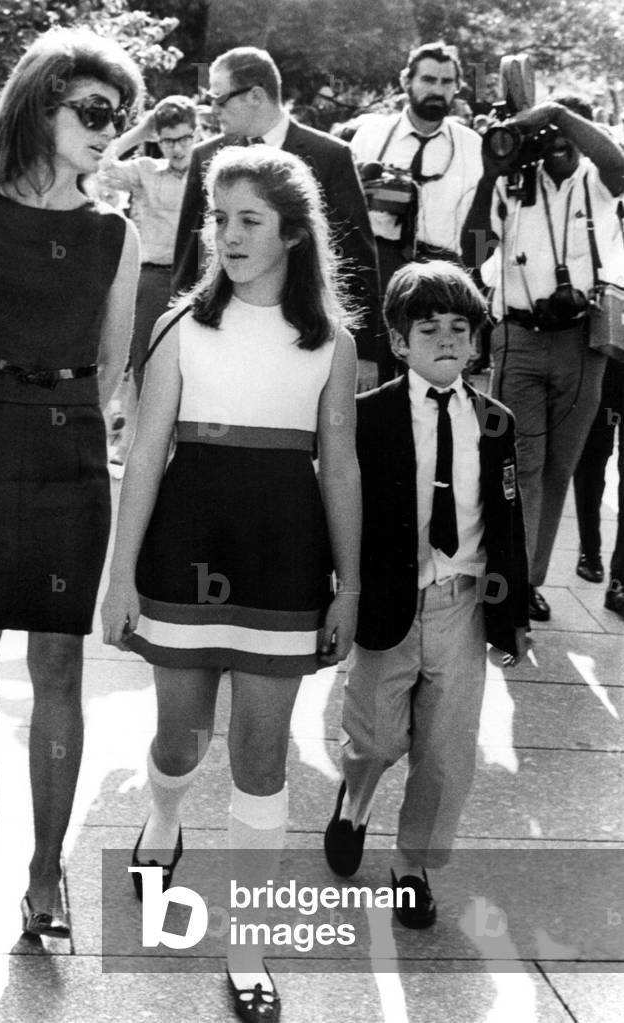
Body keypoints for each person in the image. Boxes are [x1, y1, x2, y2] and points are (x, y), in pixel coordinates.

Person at [101, 144, 361, 1020]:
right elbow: (143, 455)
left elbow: (341, 468)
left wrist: (350, 584)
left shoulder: (332, 338)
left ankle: (249, 946)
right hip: (184, 549)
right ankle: (163, 823)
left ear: (293, 231)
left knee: (260, 756)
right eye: (219, 218)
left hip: (284, 563)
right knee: (180, 743)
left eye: (249, 219)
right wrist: (118, 577)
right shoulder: (181, 325)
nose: (229, 234)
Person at [0, 28, 141, 939]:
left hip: (66, 446)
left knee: (57, 660)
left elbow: (113, 355)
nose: (107, 129)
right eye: (92, 111)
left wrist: (79, 411)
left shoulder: (113, 233)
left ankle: (46, 871)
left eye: (116, 117)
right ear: (41, 106)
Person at [323, 261, 529, 927]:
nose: (445, 338)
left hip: (461, 604)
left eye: (459, 328)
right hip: (388, 599)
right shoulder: (368, 416)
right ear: (400, 341)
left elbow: (507, 519)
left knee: (446, 751)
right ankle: (355, 797)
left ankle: (412, 864)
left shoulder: (495, 423)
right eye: (428, 327)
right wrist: (334, 590)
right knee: (377, 736)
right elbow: (339, 507)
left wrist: (512, 614)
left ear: (476, 343)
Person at [461, 96, 624, 622]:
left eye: (565, 134)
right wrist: (493, 172)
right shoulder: (514, 183)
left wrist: (554, 111)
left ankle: (529, 578)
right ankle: (508, 579)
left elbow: (618, 163)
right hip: (520, 338)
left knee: (558, 468)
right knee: (521, 464)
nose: (555, 142)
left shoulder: (597, 182)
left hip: (581, 342)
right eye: (545, 135)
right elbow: (473, 246)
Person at [171, 45, 382, 391]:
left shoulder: (330, 156)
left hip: (307, 334)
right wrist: (183, 333)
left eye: (220, 98)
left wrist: (365, 350)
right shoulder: (205, 157)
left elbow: (356, 257)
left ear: (256, 94)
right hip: (224, 334)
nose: (213, 109)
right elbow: (188, 257)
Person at [350, 43, 482, 307]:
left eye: (447, 82)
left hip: (444, 274)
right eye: (428, 79)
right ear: (405, 81)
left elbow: (482, 225)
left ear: (457, 87)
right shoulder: (371, 135)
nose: (437, 90)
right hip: (379, 267)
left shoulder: (472, 146)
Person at [100, 95, 197, 395]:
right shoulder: (145, 170)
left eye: (184, 138)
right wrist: (141, 131)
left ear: (196, 133)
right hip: (154, 278)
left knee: (195, 369)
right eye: (169, 141)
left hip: (198, 279)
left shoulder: (211, 168)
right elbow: (99, 164)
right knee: (146, 361)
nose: (177, 148)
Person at [573, 358, 624, 616]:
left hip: (609, 360)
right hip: (608, 357)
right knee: (592, 462)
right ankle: (590, 549)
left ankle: (620, 580)